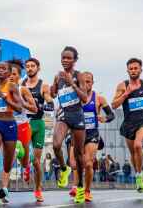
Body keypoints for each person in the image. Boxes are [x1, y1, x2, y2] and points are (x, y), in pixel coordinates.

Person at [112, 57, 143, 193]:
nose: (133, 71)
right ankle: (138, 173)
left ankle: (139, 176)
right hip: (128, 123)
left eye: (136, 68)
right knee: (133, 152)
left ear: (140, 69)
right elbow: (114, 105)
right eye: (131, 69)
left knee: (138, 145)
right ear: (127, 70)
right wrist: (125, 94)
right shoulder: (122, 85)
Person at [50, 46, 88, 204]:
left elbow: (85, 98)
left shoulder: (79, 76)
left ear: (75, 60)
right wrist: (55, 83)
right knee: (56, 145)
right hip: (64, 116)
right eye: (63, 58)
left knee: (79, 155)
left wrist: (71, 83)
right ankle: (64, 169)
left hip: (77, 116)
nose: (65, 60)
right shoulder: (58, 76)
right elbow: (52, 94)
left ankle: (80, 187)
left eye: (68, 58)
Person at [0, 61, 23, 206]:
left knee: (7, 165)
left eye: (3, 69)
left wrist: (4, 97)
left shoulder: (12, 87)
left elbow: (19, 108)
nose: (0, 71)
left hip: (10, 126)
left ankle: (4, 187)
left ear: (8, 72)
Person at [76, 71, 115, 202]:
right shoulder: (75, 97)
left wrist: (104, 118)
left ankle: (86, 191)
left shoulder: (98, 98)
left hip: (92, 133)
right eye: (83, 82)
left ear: (92, 83)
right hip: (77, 133)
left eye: (88, 81)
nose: (86, 84)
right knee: (76, 163)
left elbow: (111, 115)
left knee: (88, 164)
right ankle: (77, 187)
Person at [22, 57, 55, 202]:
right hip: (24, 123)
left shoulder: (43, 85)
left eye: (32, 66)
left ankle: (38, 189)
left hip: (38, 124)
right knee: (21, 152)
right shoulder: (21, 85)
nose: (30, 68)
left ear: (38, 68)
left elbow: (49, 99)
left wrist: (49, 103)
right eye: (27, 66)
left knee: (36, 161)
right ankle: (25, 167)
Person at [8, 59, 38, 187]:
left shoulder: (23, 89)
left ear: (19, 76)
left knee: (24, 160)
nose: (10, 76)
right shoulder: (1, 89)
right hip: (8, 127)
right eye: (9, 73)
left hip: (23, 126)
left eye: (14, 74)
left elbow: (35, 109)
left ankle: (27, 167)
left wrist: (22, 102)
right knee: (8, 158)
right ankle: (4, 190)